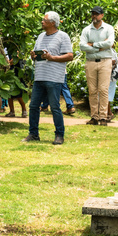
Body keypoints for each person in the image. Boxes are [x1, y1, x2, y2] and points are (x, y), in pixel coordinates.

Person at [22, 12, 74, 145]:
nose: (42, 22)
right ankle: (33, 134)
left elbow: (69, 56)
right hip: (39, 77)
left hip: (54, 78)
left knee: (55, 107)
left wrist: (53, 58)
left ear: (52, 23)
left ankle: (59, 135)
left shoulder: (63, 36)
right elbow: (37, 54)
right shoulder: (40, 36)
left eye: (44, 20)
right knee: (33, 106)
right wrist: (34, 55)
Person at [80, 6, 115, 125]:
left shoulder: (109, 28)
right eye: (93, 14)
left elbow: (110, 43)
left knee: (104, 89)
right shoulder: (86, 30)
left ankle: (103, 117)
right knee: (92, 90)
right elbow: (82, 46)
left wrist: (92, 45)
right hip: (91, 62)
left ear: (102, 15)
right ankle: (94, 117)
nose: (94, 16)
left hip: (105, 61)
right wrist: (100, 47)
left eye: (96, 14)